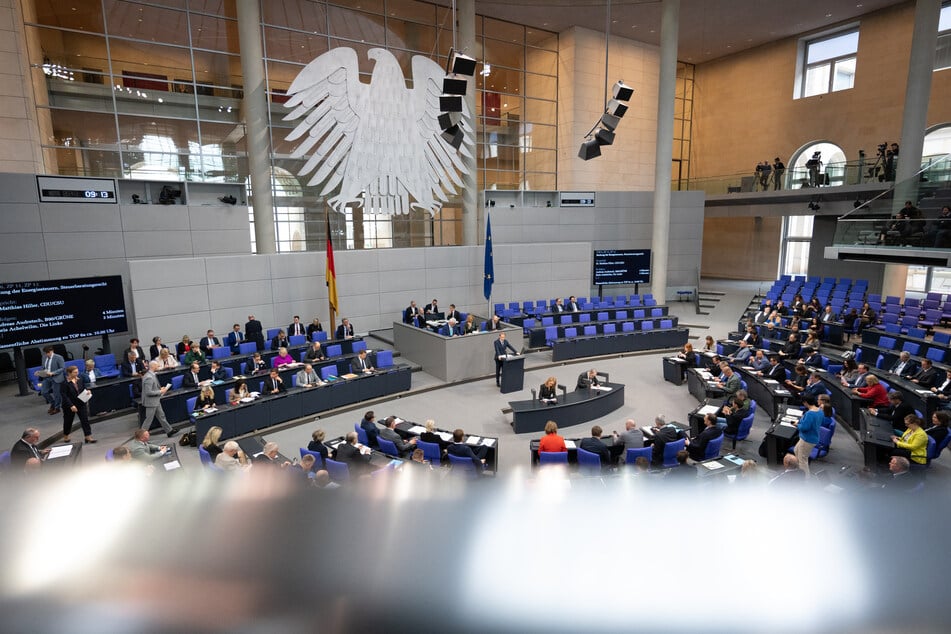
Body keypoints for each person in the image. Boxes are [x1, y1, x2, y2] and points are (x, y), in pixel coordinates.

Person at [60, 365, 95, 444]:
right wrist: (71, 405)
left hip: (80, 403)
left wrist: (87, 391)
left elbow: (82, 389)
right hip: (70, 405)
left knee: (85, 420)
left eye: (77, 372)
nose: (77, 373)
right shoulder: (64, 383)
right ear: (69, 373)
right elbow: (64, 396)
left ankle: (88, 436)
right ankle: (66, 434)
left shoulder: (80, 380)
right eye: (75, 372)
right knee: (68, 421)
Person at [141, 360, 176, 436]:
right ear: (153, 366)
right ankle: (141, 437)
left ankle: (169, 431)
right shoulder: (149, 377)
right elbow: (148, 392)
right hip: (151, 402)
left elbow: (154, 388)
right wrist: (160, 391)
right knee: (148, 420)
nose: (159, 367)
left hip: (156, 400)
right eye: (157, 366)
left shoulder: (152, 375)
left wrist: (160, 389)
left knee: (161, 416)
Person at [794, 396, 825, 477]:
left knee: (803, 461)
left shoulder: (810, 414)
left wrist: (797, 425)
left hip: (807, 439)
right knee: (796, 450)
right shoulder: (820, 411)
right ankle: (797, 473)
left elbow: (805, 428)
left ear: (806, 402)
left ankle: (805, 480)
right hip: (812, 438)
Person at [37, 346, 66, 415]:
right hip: (47, 377)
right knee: (44, 392)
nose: (47, 354)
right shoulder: (44, 357)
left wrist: (53, 373)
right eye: (46, 353)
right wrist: (39, 372)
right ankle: (53, 403)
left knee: (56, 394)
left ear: (52, 351)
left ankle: (57, 408)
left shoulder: (59, 357)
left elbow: (62, 368)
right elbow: (43, 367)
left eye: (48, 353)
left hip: (56, 377)